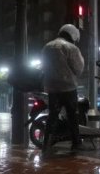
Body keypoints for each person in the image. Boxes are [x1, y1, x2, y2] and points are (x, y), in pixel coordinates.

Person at [41, 24, 84, 153]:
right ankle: (76, 143)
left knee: (52, 115)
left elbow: (43, 66)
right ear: (72, 35)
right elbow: (78, 69)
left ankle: (46, 143)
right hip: (68, 87)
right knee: (72, 116)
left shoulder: (47, 47)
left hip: (52, 88)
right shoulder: (71, 48)